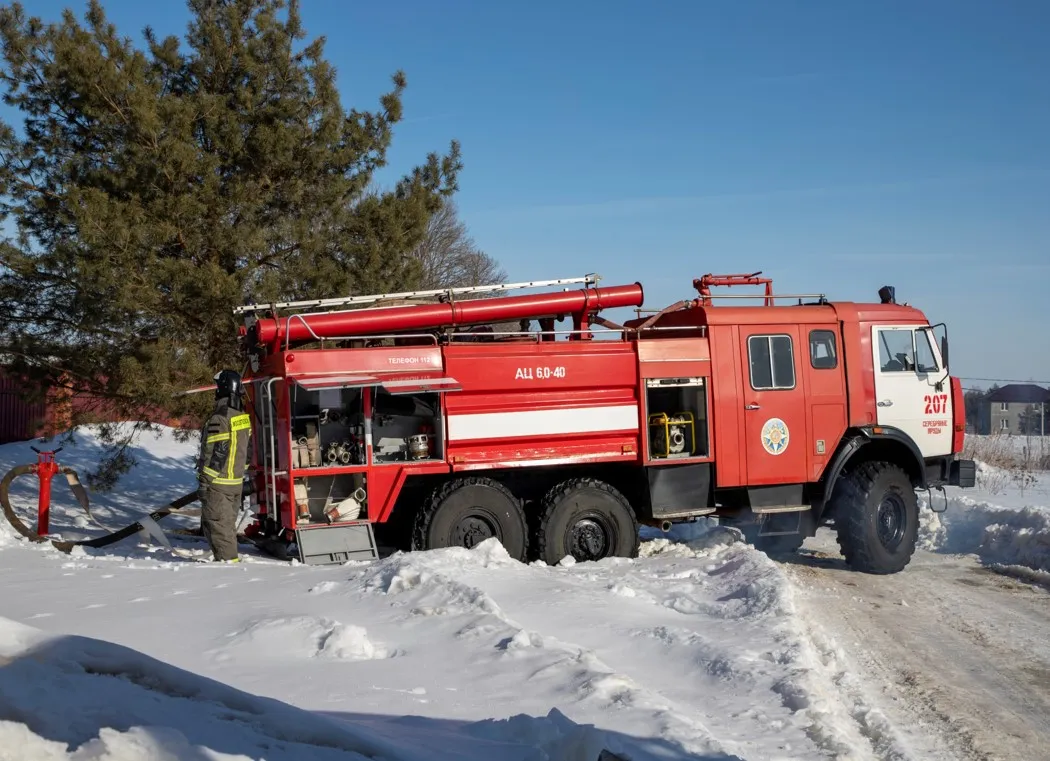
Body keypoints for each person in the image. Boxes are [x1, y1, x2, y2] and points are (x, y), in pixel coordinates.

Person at [196, 369, 251, 562]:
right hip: (235, 483)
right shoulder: (242, 418)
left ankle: (229, 570)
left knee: (220, 530)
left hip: (218, 485)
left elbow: (216, 454)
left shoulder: (220, 418)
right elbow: (247, 451)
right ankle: (226, 564)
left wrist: (205, 482)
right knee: (225, 528)